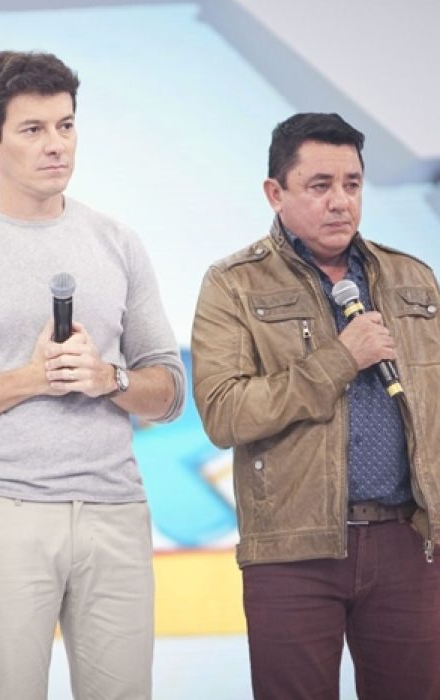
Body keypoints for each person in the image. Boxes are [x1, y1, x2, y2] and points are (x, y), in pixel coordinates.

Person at [0, 50, 184, 699]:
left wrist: (108, 379)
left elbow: (170, 391)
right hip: (7, 514)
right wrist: (28, 378)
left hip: (115, 513)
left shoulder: (117, 242)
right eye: (33, 129)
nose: (56, 145)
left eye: (66, 125)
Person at [191, 112, 440, 700]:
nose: (340, 202)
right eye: (320, 185)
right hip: (292, 548)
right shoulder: (234, 284)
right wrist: (339, 359)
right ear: (275, 193)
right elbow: (224, 412)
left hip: (408, 541)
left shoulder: (413, 278)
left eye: (352, 184)